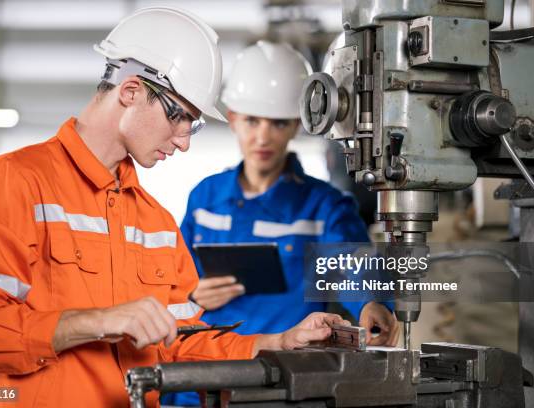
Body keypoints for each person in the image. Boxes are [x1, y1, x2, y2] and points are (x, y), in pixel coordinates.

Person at [0, 9, 347, 407]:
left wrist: (277, 342)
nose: (185, 141)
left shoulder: (154, 220)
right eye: (180, 118)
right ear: (131, 91)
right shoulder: (13, 183)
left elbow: (180, 343)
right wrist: (98, 321)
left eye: (194, 124)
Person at [164, 41, 399, 406]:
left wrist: (372, 303)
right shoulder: (204, 198)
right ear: (232, 117)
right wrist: (194, 295)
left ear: (296, 126)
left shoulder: (322, 205)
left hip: (284, 385)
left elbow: (353, 260)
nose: (263, 136)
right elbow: (172, 285)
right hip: (205, 381)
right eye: (252, 120)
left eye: (278, 123)